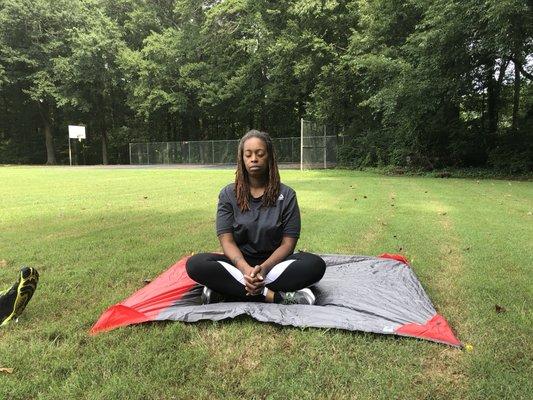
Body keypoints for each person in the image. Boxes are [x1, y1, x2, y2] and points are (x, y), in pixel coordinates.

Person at [186, 130, 326, 305]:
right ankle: (273, 296)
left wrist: (264, 270)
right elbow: (227, 242)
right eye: (248, 154)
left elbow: (288, 244)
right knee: (196, 264)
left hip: (275, 266)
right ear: (242, 159)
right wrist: (245, 270)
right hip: (239, 266)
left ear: (269, 158)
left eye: (260, 154)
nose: (254, 159)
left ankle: (226, 292)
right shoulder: (228, 194)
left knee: (315, 265)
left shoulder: (287, 195)